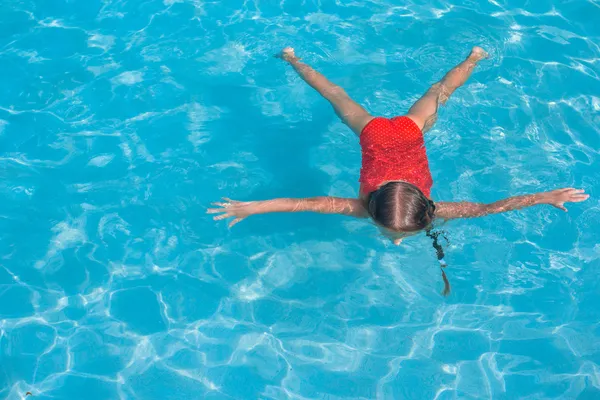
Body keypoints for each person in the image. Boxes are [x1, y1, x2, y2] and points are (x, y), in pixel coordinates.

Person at [208, 46, 589, 294]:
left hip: (403, 132)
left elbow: (302, 203)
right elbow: (302, 203)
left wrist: (546, 197)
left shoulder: (421, 209)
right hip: (382, 134)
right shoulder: (374, 208)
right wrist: (251, 207)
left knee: (380, 93)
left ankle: (472, 58)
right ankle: (293, 59)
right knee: (427, 92)